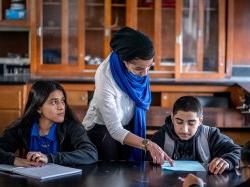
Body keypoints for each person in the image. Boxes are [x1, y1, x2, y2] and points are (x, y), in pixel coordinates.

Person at [82, 26, 172, 165]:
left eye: (149, 67)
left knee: (129, 170)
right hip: (102, 129)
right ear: (124, 60)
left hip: (128, 122)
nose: (145, 74)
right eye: (139, 69)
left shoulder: (141, 67)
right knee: (110, 173)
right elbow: (115, 130)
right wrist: (148, 144)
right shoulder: (105, 76)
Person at [0, 80, 97, 167]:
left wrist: (50, 158)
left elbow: (90, 153)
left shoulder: (72, 127)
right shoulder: (22, 128)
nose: (61, 107)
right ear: (38, 108)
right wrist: (14, 160)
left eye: (62, 101)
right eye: (54, 102)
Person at [151, 96, 241, 174]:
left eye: (191, 123)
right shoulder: (160, 137)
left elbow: (238, 151)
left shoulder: (211, 135)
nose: (185, 130)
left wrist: (228, 160)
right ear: (172, 118)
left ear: (200, 121)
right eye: (179, 122)